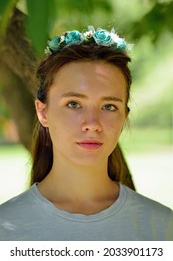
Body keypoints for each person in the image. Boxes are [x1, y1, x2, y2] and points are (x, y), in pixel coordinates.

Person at [0, 26, 173, 241]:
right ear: (43, 112)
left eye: (109, 106)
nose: (92, 124)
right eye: (74, 104)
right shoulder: (6, 229)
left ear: (124, 118)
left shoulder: (162, 228)